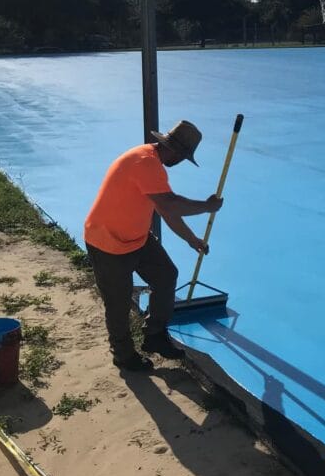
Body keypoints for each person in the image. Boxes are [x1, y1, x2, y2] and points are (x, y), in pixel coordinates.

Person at [84, 120, 223, 372]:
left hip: (137, 238)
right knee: (118, 302)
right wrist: (207, 206)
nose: (181, 161)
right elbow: (171, 205)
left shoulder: (153, 163)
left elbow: (165, 211)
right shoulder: (144, 162)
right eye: (183, 156)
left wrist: (192, 240)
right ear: (175, 150)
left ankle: (155, 336)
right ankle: (124, 355)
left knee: (166, 275)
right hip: (108, 241)